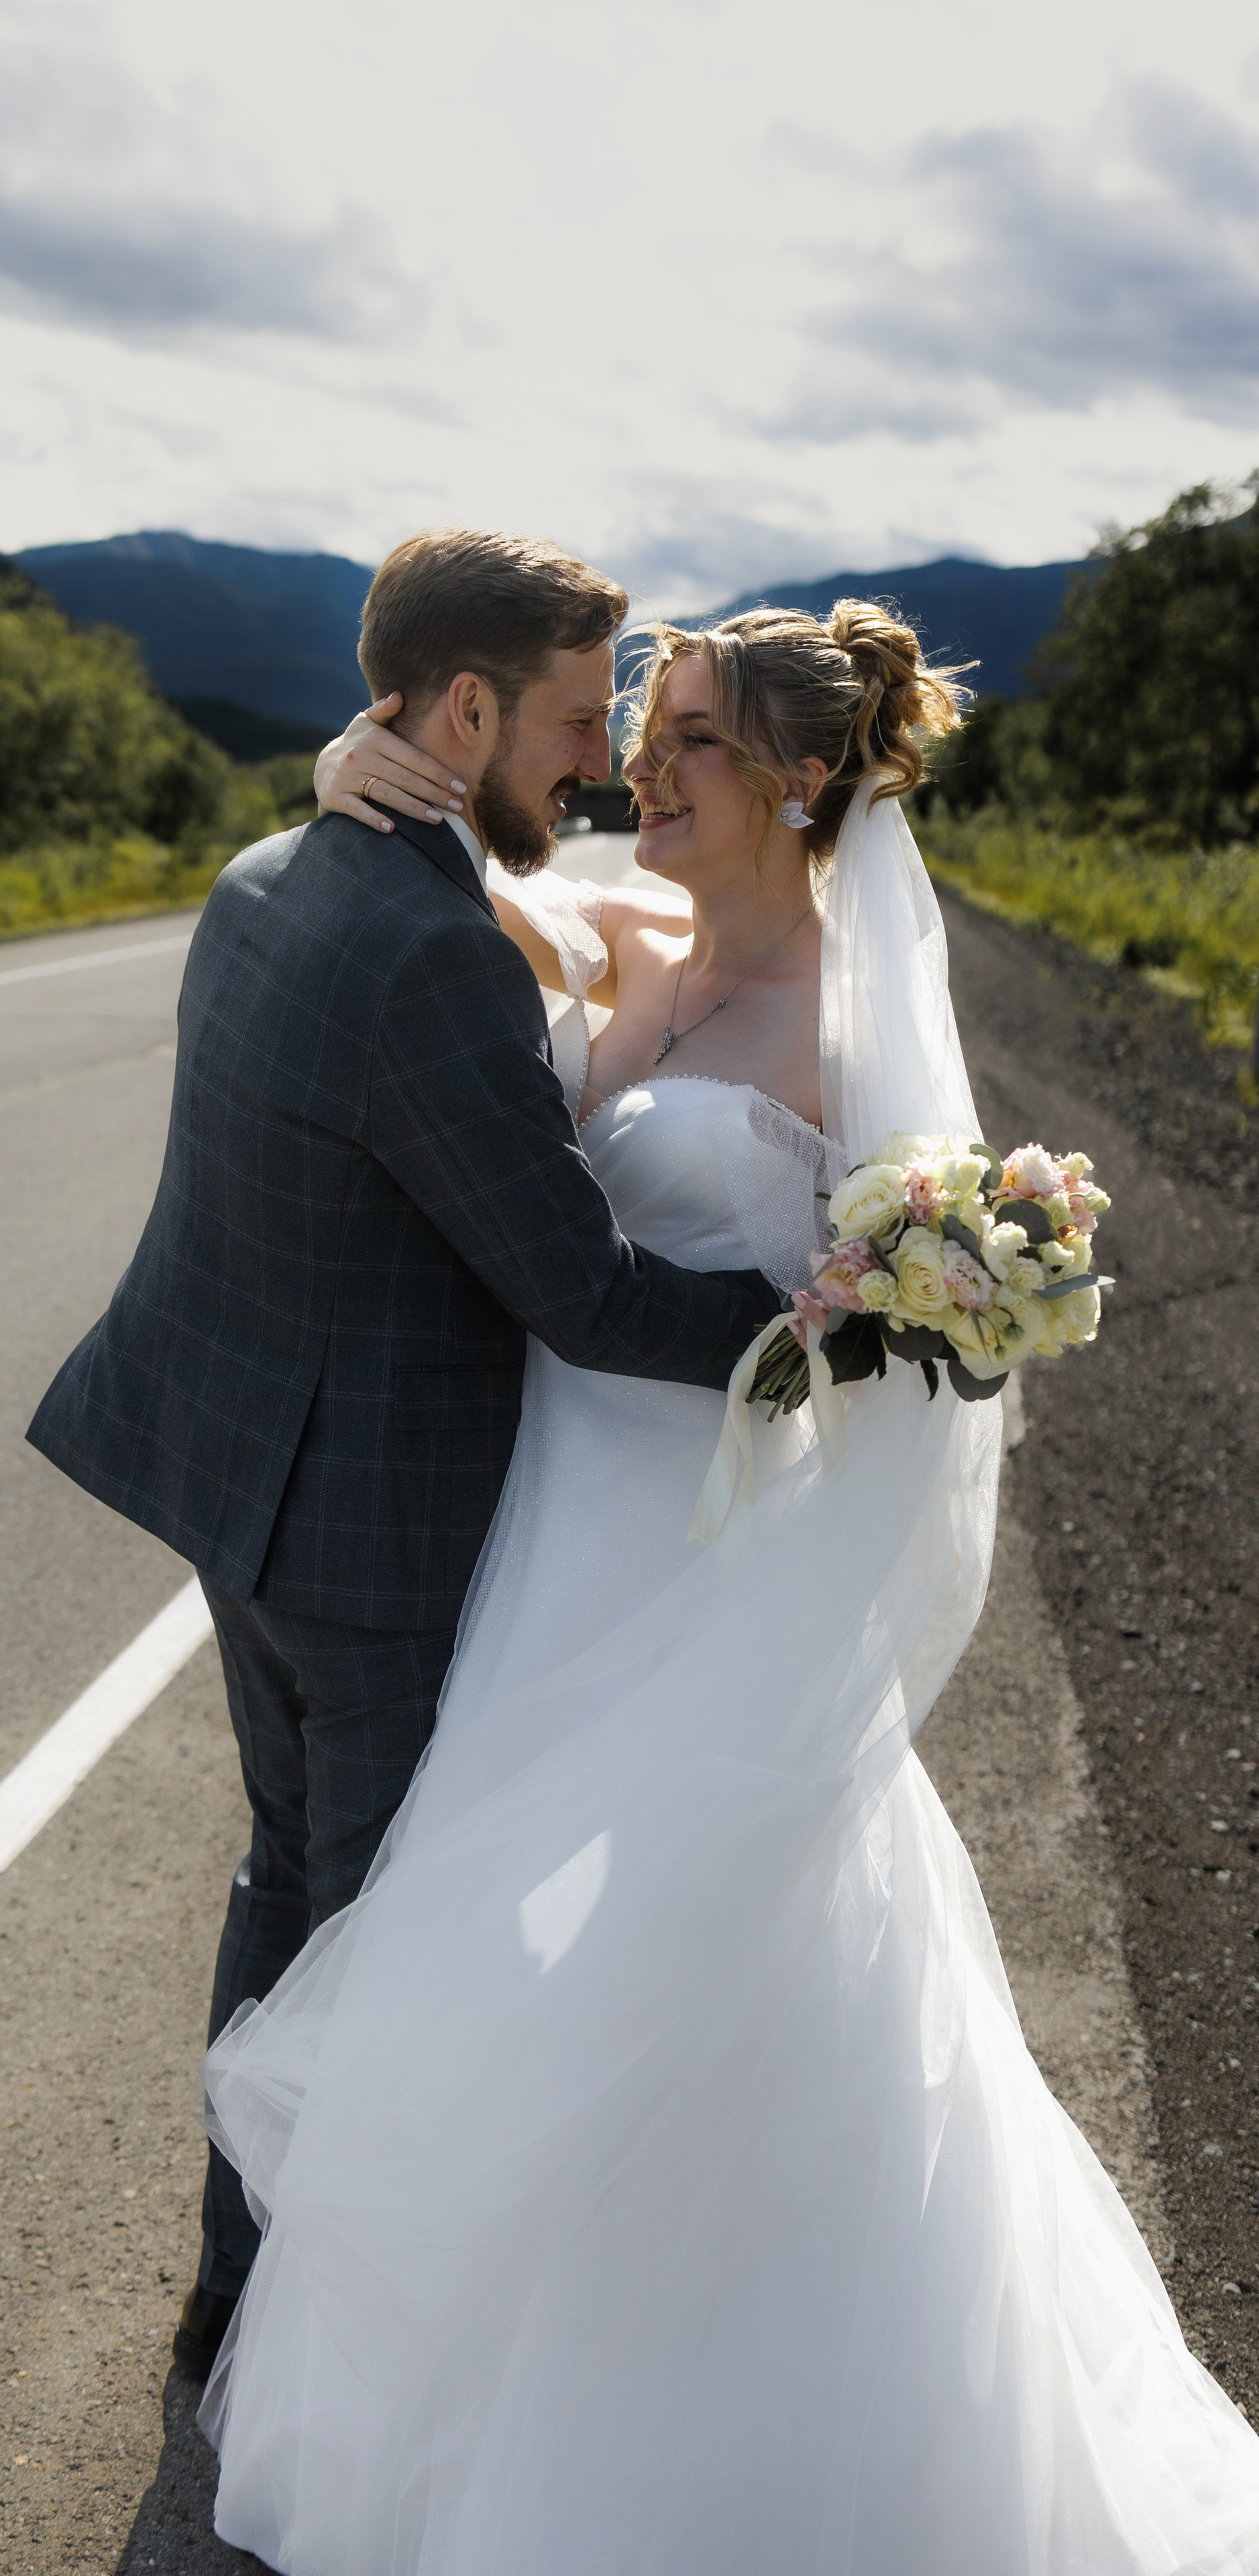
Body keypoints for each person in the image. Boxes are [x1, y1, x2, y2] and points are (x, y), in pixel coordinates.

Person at [195, 605, 1259, 2572]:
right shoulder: (637, 931)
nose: (634, 769)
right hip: (545, 1547)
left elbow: (908, 1376)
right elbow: (465, 872)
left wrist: (811, 1577)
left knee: (709, 1968)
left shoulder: (871, 1045)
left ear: (793, 779)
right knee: (506, 1963)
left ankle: (738, 2432)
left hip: (709, 1581)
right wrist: (345, 775)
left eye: (680, 739)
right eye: (642, 730)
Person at [23, 529, 781, 2381]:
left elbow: (626, 934)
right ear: (456, 707)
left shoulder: (277, 867)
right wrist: (823, 1317)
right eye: (576, 715)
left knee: (285, 1890)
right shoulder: (432, 955)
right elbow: (589, 1301)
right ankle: (320, 2362)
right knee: (375, 1948)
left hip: (242, 1493)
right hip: (365, 1548)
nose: (599, 760)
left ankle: (240, 2291)